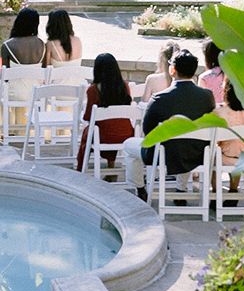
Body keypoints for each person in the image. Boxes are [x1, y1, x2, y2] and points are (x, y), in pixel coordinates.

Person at [124, 52, 216, 201]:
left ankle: (140, 189)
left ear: (172, 70)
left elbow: (148, 131)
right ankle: (181, 189)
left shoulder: (160, 98)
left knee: (128, 145)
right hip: (197, 152)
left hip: (164, 154)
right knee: (187, 141)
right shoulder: (207, 96)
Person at [76, 53, 136, 172]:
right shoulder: (124, 86)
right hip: (126, 133)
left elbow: (88, 116)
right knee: (113, 125)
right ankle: (111, 165)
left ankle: (81, 168)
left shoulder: (93, 90)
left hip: (103, 135)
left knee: (89, 133)